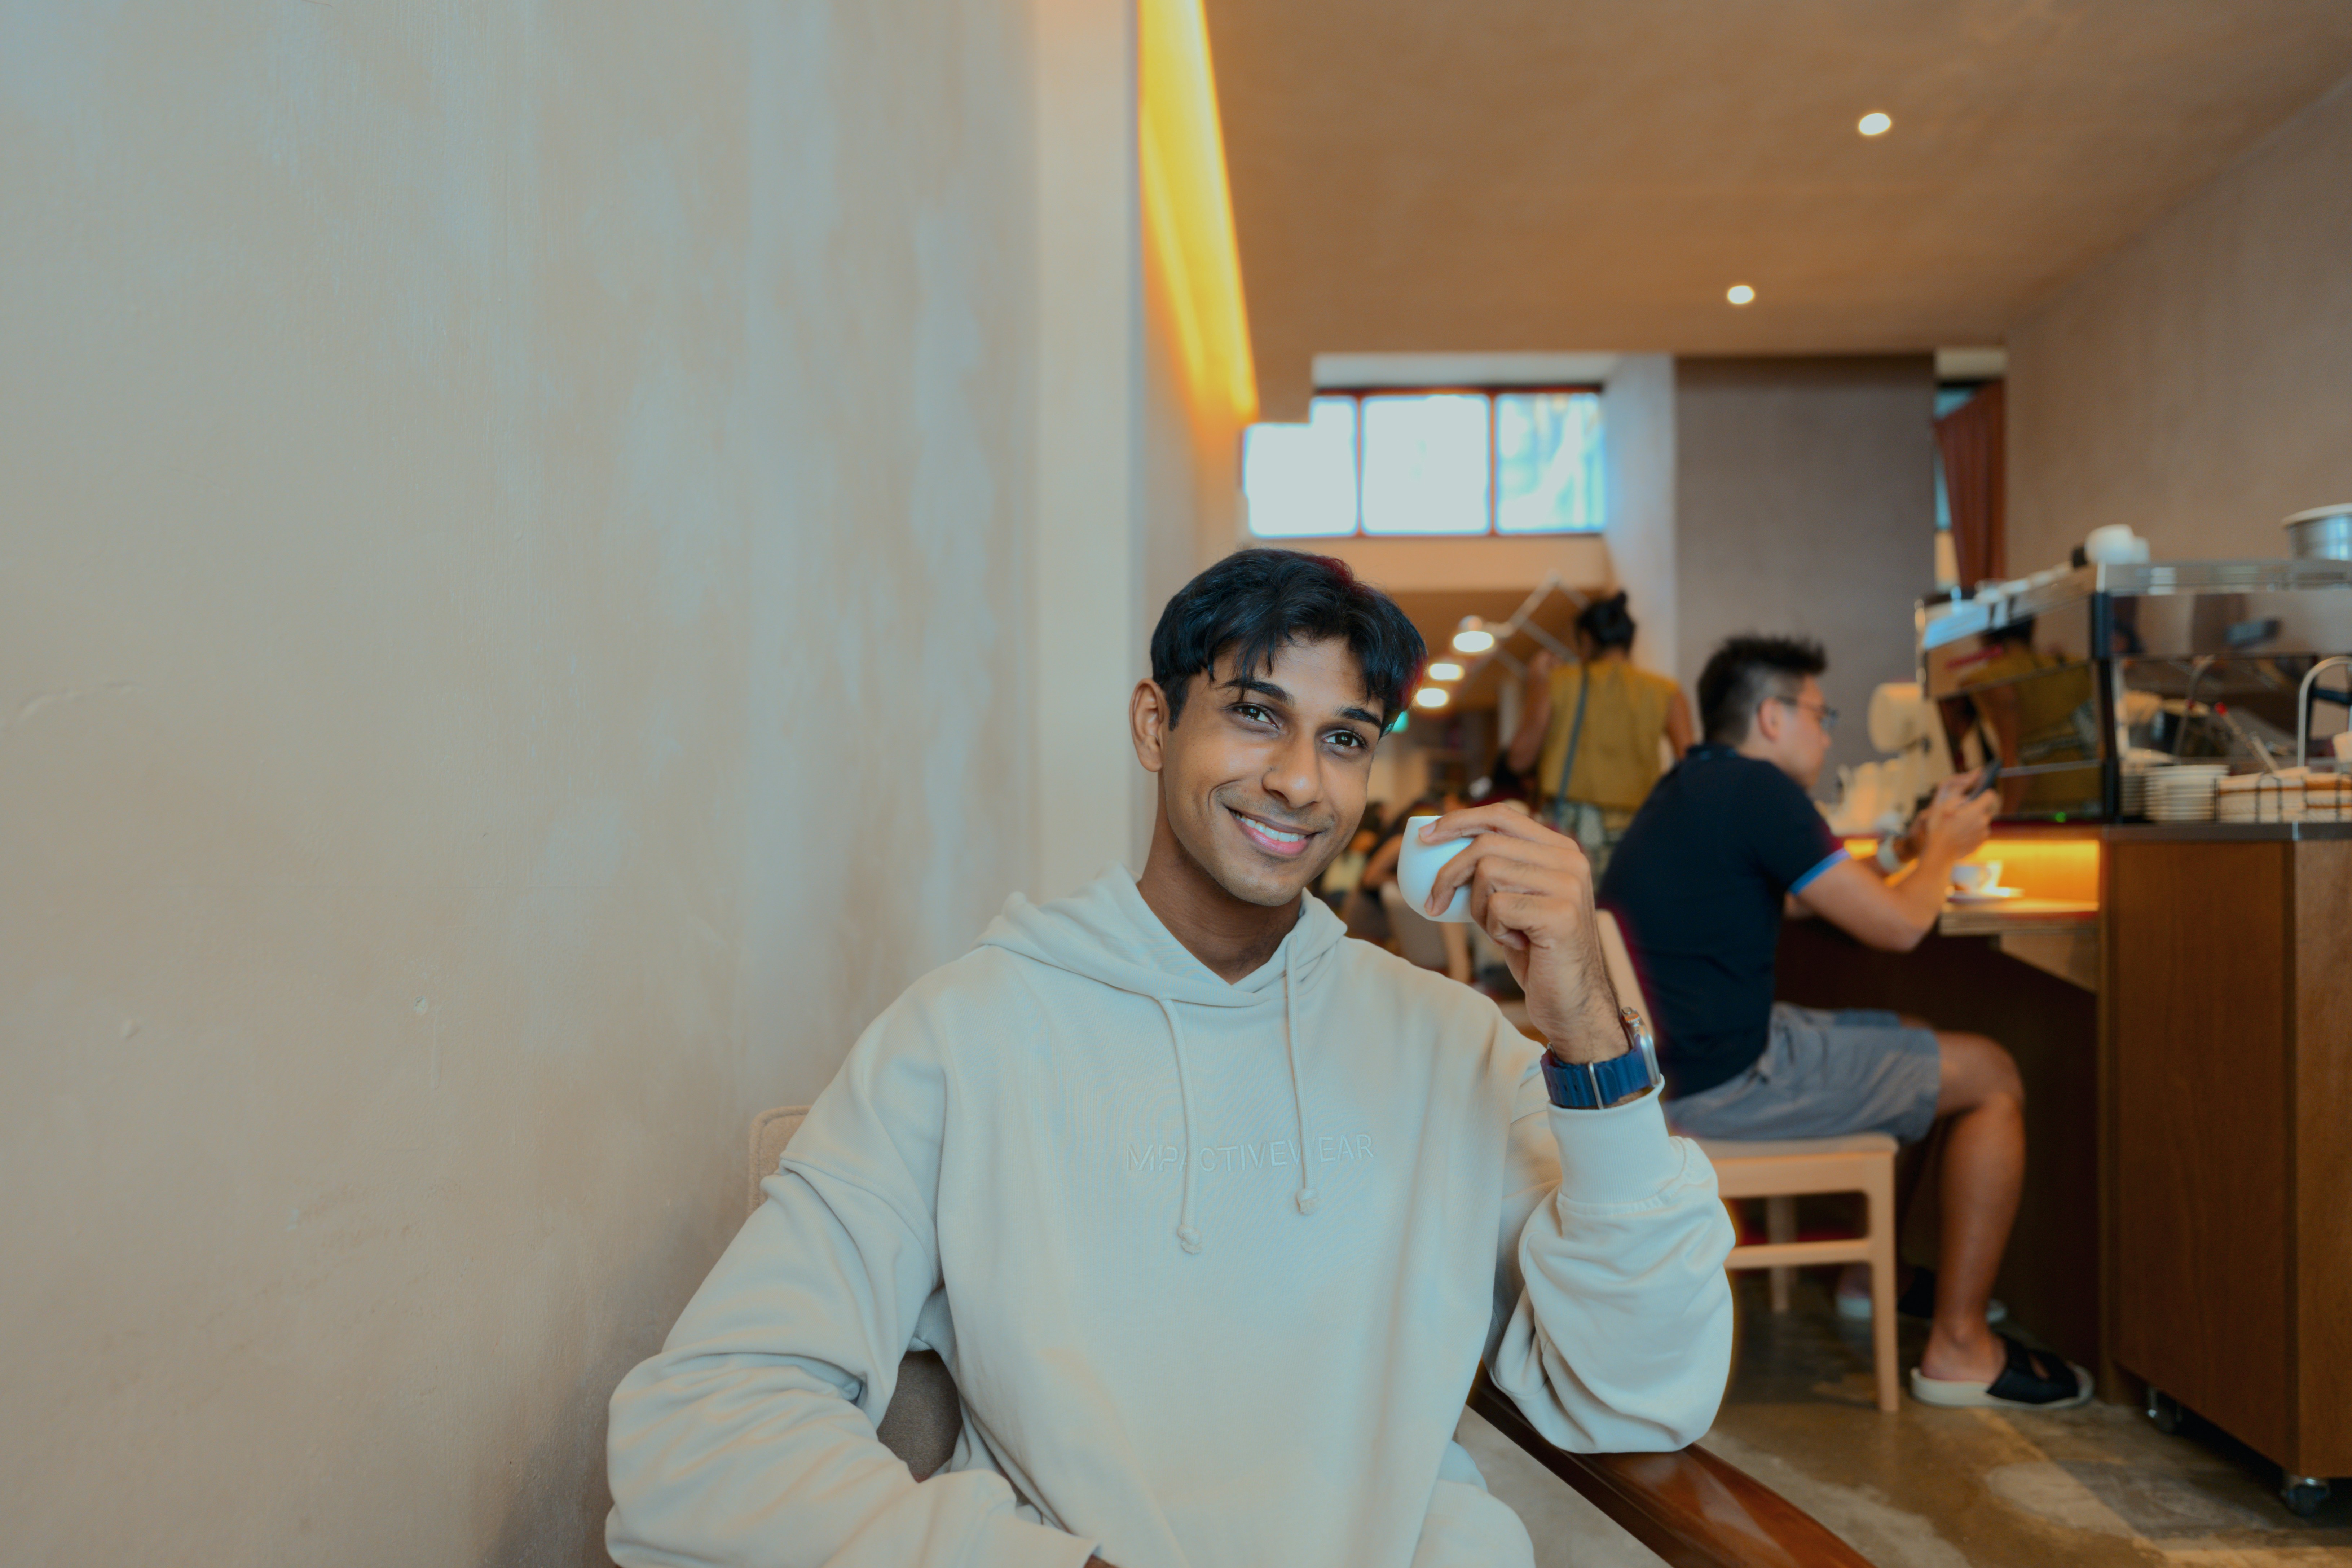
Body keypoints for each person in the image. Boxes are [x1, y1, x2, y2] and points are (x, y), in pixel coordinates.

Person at [607, 549, 1736, 1568]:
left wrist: (1587, 1037)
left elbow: (1642, 1396)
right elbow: (705, 1426)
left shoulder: (1452, 1044)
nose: (1299, 780)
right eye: (1255, 714)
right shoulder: (966, 1035)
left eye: (1342, 739)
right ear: (1154, 725)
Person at [1598, 633, 2091, 1411]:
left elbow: (1798, 895)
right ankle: (1962, 1346)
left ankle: (1874, 1278)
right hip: (1726, 1084)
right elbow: (1897, 926)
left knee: (1905, 1029)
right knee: (1993, 1073)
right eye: (1821, 715)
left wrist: (1910, 851)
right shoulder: (1762, 791)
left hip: (1675, 1069)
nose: (1829, 734)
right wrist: (1948, 845)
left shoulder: (1692, 783)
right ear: (1772, 715)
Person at [1504, 591, 1692, 878]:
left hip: (1572, 831)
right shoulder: (1666, 692)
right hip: (1640, 829)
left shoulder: (1560, 682)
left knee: (1570, 914)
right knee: (1624, 918)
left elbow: (1519, 759)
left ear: (1587, 640)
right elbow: (1689, 767)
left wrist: (1536, 685)